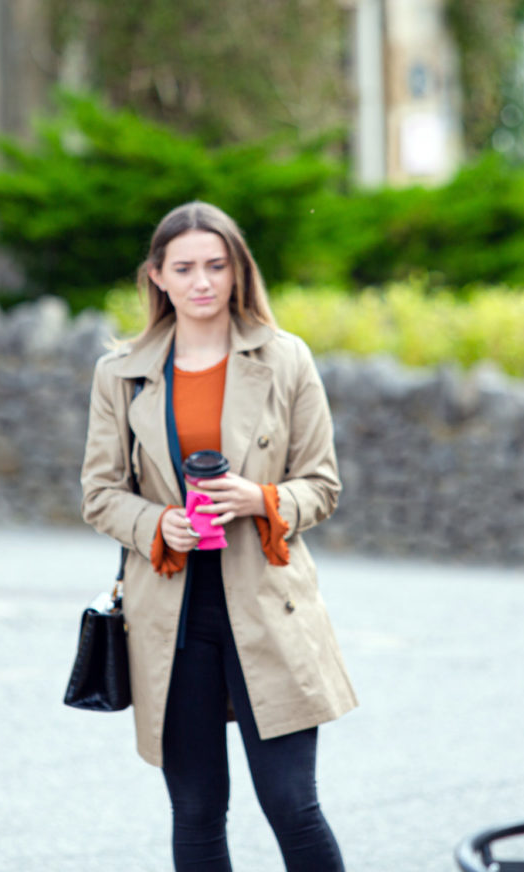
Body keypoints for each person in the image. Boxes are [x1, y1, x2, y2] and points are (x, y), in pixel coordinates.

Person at [80, 203, 356, 871]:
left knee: (292, 805)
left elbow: (322, 484)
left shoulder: (286, 359)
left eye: (216, 265)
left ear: (238, 272)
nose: (201, 282)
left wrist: (261, 499)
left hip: (268, 605)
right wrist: (158, 523)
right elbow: (100, 494)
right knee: (198, 812)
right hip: (169, 615)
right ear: (157, 276)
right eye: (184, 268)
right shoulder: (121, 372)